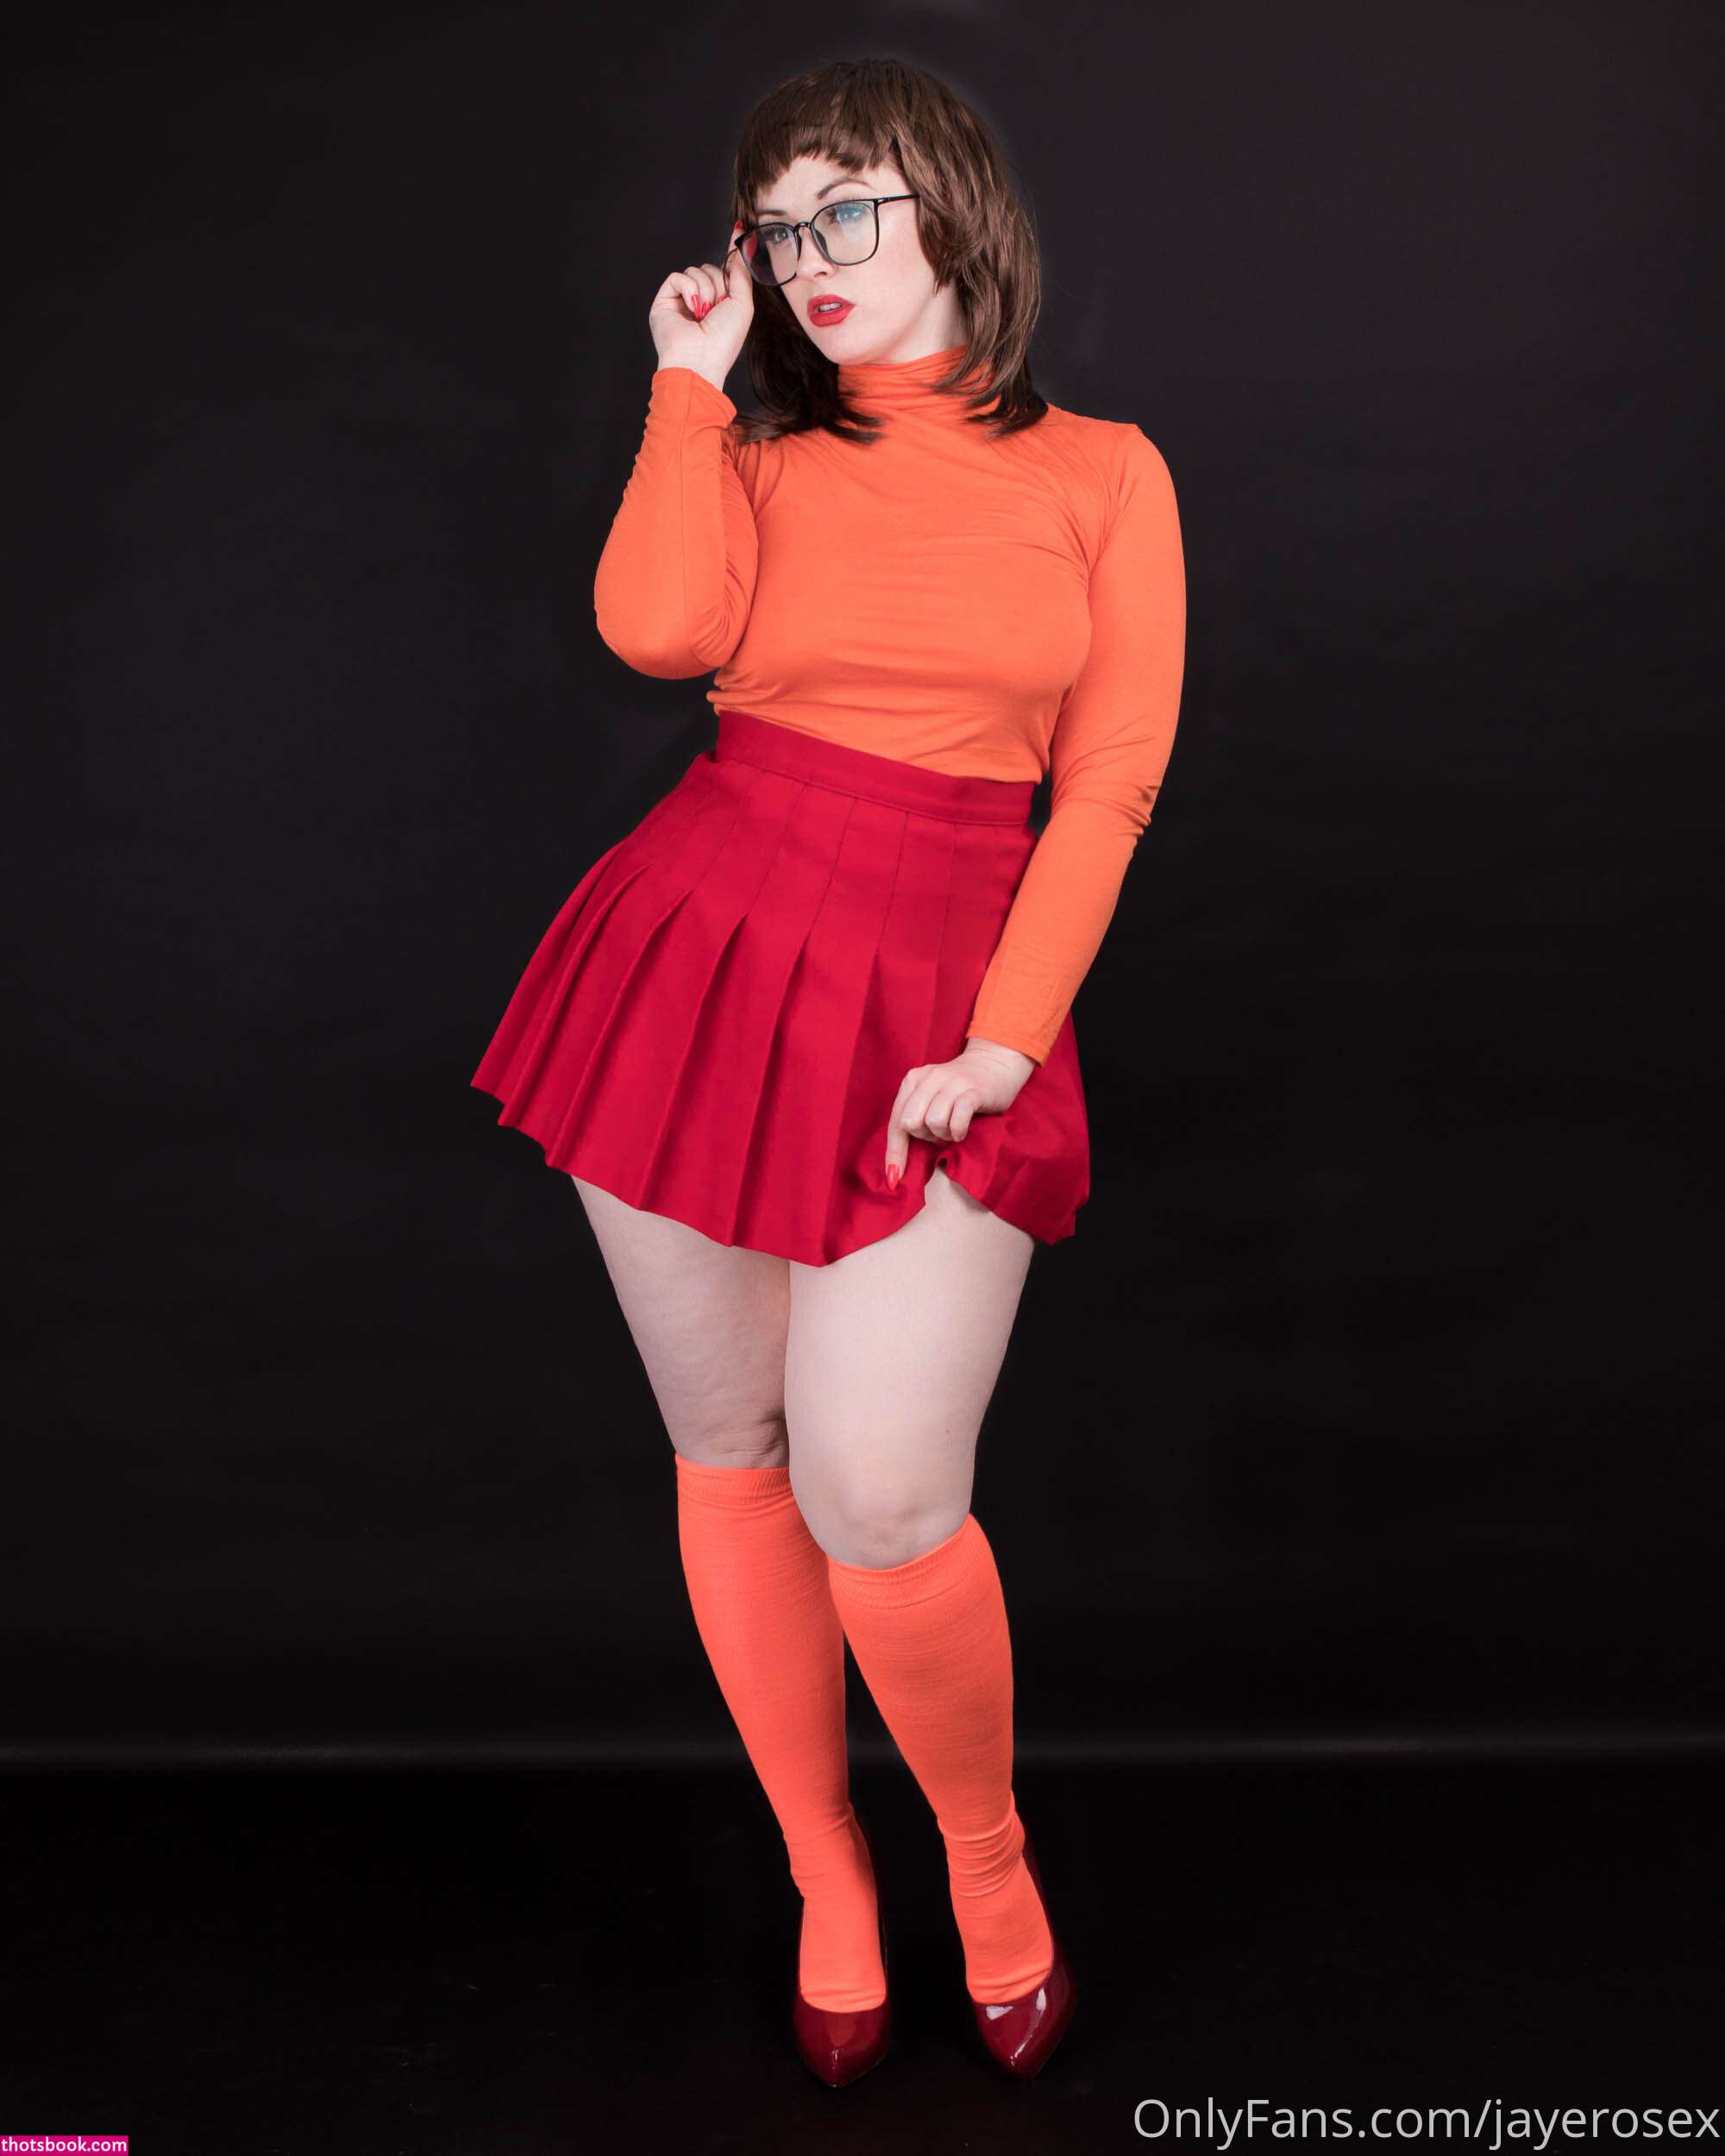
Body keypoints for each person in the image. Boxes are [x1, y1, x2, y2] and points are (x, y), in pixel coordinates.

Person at [470, 56, 1185, 2085]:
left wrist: (1003, 1038)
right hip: (693, 961)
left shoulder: (1104, 474)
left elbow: (1108, 786)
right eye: (777, 228)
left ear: (955, 206)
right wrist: (685, 387)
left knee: (881, 1487)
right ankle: (824, 1866)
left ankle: (984, 1854)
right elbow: (652, 629)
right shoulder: (755, 453)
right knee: (736, 1448)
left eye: (846, 209)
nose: (809, 257)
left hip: (948, 990)